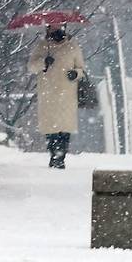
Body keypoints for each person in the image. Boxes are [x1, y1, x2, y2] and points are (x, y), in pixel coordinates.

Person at [28, 23, 86, 169]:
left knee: (65, 127)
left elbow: (81, 69)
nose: (56, 29)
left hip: (67, 94)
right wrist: (43, 62)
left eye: (59, 26)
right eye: (53, 27)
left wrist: (75, 74)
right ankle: (54, 154)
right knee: (51, 128)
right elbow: (31, 67)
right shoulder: (42, 46)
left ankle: (61, 156)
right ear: (48, 28)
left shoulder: (73, 46)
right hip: (48, 94)